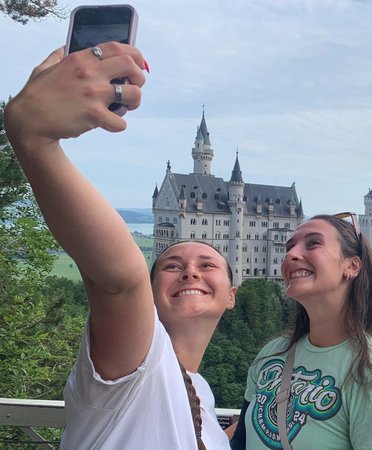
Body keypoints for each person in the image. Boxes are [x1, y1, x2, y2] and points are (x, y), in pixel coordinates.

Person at [5, 43, 234, 449]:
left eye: (208, 264)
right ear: (149, 291)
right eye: (171, 265)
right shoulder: (139, 361)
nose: (190, 271)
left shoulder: (199, 392)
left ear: (233, 295)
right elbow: (118, 280)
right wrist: (34, 138)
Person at [230, 213, 372, 449]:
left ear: (352, 266)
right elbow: (240, 442)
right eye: (290, 246)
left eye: (313, 243)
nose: (291, 254)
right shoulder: (272, 353)